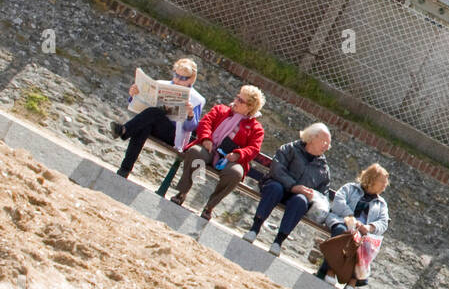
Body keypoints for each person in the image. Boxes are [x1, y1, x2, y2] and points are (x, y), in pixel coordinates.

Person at [170, 85, 266, 220]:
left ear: (250, 108)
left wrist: (237, 154)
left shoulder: (256, 128)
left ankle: (210, 206)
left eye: (241, 101)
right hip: (210, 148)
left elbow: (254, 148)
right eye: (237, 97)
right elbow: (205, 123)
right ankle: (182, 192)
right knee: (196, 152)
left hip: (229, 159)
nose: (236, 101)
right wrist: (206, 139)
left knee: (235, 173)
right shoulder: (220, 110)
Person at [243, 123, 331, 256]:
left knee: (301, 201)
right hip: (278, 185)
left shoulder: (323, 168)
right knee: (275, 188)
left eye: (328, 144)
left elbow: (323, 193)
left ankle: (278, 242)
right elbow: (277, 169)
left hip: (296, 198)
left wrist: (312, 196)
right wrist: (293, 186)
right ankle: (254, 229)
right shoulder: (291, 148)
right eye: (324, 141)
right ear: (312, 137)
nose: (326, 146)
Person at [108, 57, 204, 178]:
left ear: (192, 80)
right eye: (176, 75)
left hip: (174, 134)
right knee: (145, 126)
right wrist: (134, 95)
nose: (178, 80)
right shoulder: (161, 84)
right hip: (155, 125)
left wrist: (190, 114)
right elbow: (142, 108)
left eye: (183, 78)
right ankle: (124, 170)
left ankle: (124, 130)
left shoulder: (197, 99)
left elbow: (190, 127)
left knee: (154, 113)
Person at [317, 163, 390, 288]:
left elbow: (383, 222)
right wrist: (352, 218)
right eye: (382, 181)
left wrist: (369, 227)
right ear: (372, 180)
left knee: (365, 243)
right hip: (342, 221)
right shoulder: (350, 188)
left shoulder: (381, 203)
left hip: (363, 231)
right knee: (343, 232)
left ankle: (351, 283)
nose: (385, 185)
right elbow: (338, 202)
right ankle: (329, 271)